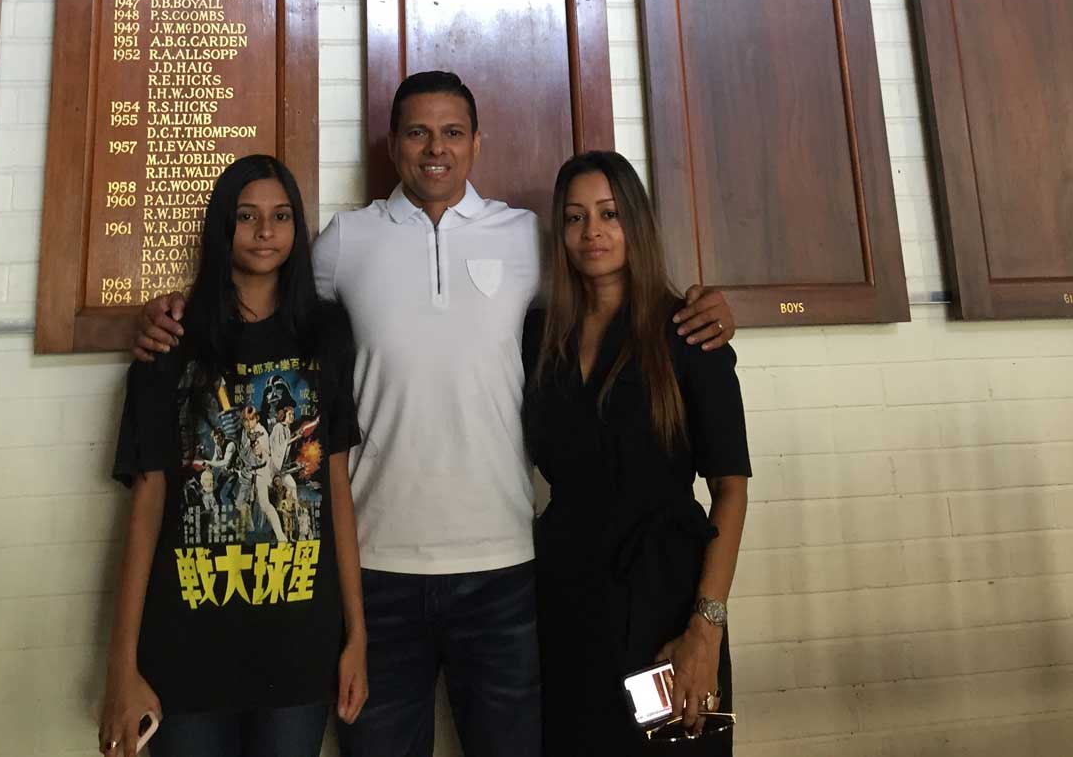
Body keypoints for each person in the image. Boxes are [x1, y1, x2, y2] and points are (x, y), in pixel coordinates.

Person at [132, 73, 737, 757]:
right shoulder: (347, 240)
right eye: (417, 132)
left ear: (477, 142)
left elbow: (614, 278)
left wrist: (708, 302)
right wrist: (173, 311)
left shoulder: (527, 238)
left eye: (452, 132)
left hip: (508, 573)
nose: (435, 148)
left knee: (657, 746)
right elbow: (263, 281)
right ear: (394, 145)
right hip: (380, 573)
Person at [100, 155, 368, 757]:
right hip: (188, 646)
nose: (265, 231)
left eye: (280, 216)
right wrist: (122, 664)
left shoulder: (326, 338)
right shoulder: (169, 344)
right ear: (222, 227)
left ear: (298, 229)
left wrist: (357, 635)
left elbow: (338, 493)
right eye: (246, 216)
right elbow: (145, 509)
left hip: (300, 645)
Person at [524, 151, 750, 755]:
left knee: (671, 749)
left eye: (609, 213)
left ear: (637, 223)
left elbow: (731, 487)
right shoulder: (541, 338)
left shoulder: (690, 331)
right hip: (567, 602)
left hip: (667, 607)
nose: (592, 232)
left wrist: (705, 628)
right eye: (574, 218)